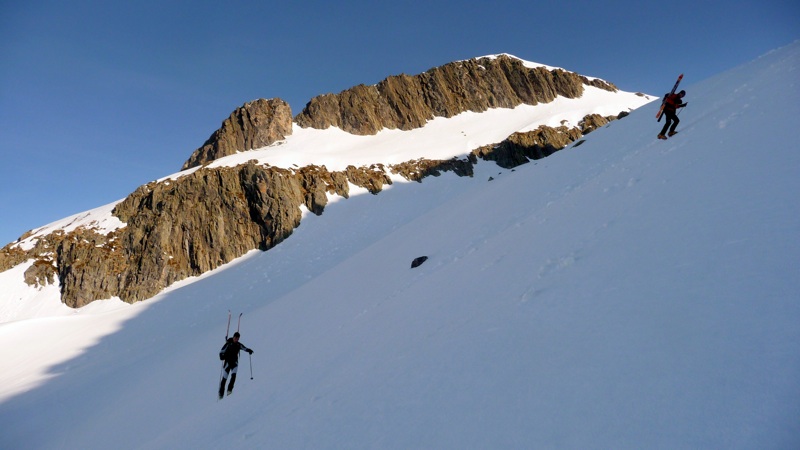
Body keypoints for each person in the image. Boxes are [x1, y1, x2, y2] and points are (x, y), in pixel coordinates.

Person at [218, 332, 253, 398]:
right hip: (227, 363)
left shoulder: (238, 345)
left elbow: (244, 348)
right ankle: (221, 394)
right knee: (224, 379)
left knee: (233, 377)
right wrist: (221, 356)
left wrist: (249, 350)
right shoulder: (228, 344)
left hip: (234, 363)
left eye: (237, 338)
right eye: (235, 338)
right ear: (233, 337)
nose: (236, 339)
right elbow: (221, 352)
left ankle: (229, 390)